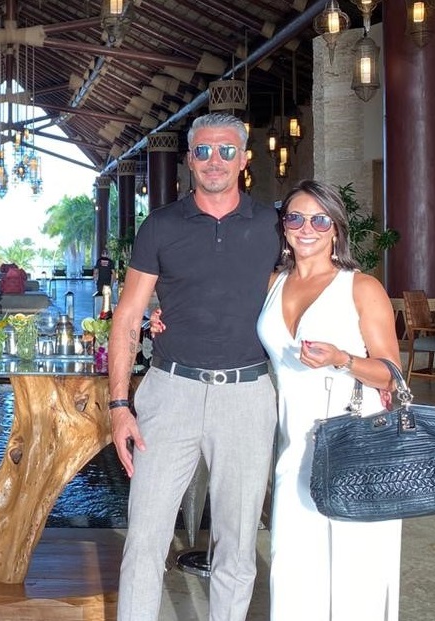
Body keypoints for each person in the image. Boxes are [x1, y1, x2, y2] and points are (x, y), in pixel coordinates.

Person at [108, 112, 280, 621]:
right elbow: (127, 317)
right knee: (144, 540)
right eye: (203, 150)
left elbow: (305, 291)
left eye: (226, 150)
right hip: (170, 392)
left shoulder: (273, 226)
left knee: (238, 546)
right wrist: (119, 406)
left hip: (247, 395)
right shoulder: (161, 225)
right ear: (189, 159)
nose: (214, 160)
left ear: (244, 159)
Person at [257, 180, 401, 620]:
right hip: (295, 445)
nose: (307, 228)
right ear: (284, 227)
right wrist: (163, 321)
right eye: (296, 218)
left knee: (357, 571)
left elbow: (392, 374)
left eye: (320, 220)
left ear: (336, 229)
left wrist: (342, 359)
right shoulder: (272, 283)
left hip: (355, 441)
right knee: (293, 567)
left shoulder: (361, 287)